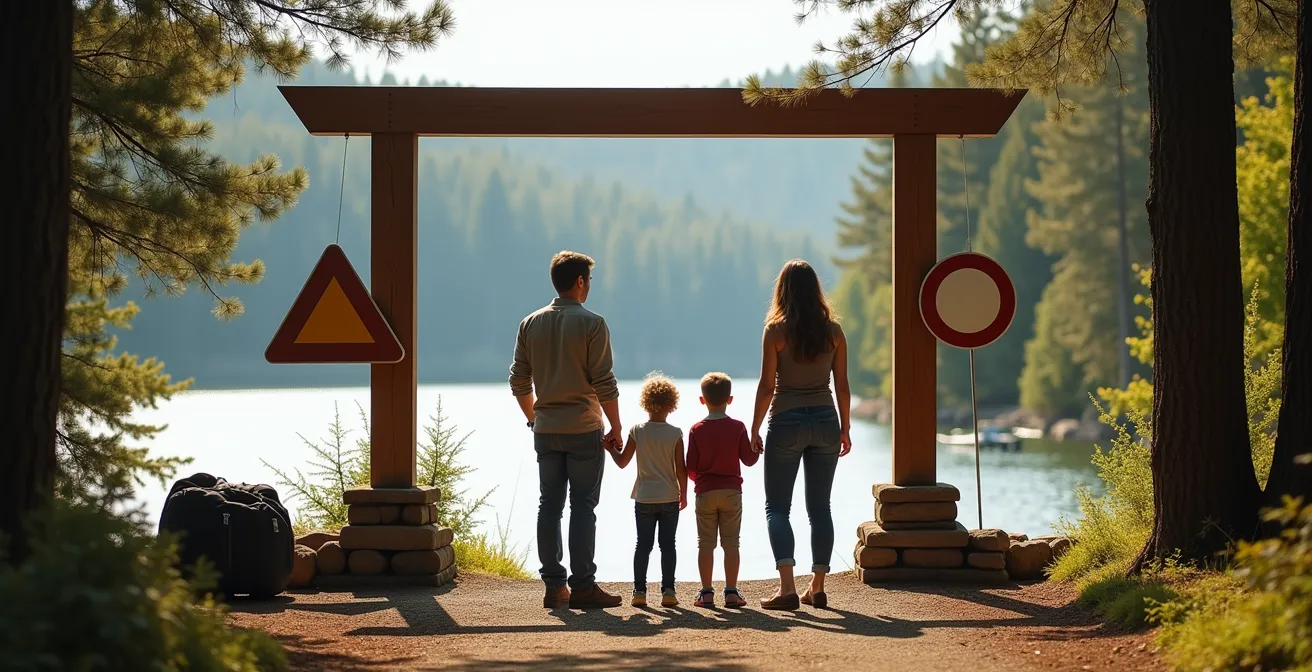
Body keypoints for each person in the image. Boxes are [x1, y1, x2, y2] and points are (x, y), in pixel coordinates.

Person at [509, 250, 624, 609]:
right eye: (588, 280)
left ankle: (555, 586)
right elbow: (604, 382)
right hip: (584, 429)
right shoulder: (593, 324)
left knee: (550, 505)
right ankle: (584, 586)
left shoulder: (530, 323)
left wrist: (534, 418)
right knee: (583, 508)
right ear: (579, 282)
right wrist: (616, 425)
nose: (589, 287)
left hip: (546, 430)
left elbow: (519, 380)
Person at [749, 259, 852, 611]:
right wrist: (846, 427)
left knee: (777, 507)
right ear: (816, 291)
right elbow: (842, 385)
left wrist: (754, 427)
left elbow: (766, 387)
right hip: (826, 420)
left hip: (787, 421)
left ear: (783, 290)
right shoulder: (834, 332)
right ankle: (818, 587)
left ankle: (788, 588)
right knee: (820, 507)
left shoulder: (775, 331)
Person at [606, 372, 686, 608]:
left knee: (643, 545)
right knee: (668, 545)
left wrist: (609, 449)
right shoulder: (676, 433)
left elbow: (622, 462)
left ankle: (639, 592)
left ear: (645, 402)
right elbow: (681, 469)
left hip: (644, 498)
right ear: (672, 404)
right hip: (670, 496)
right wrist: (684, 494)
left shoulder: (637, 431)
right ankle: (668, 592)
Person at [685, 372, 758, 609]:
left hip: (705, 492)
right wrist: (758, 448)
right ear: (731, 399)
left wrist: (701, 481)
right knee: (731, 543)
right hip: (731, 492)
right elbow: (748, 460)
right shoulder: (738, 427)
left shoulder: (696, 429)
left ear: (702, 400)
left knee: (705, 543)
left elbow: (691, 468)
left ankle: (706, 593)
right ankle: (731, 592)